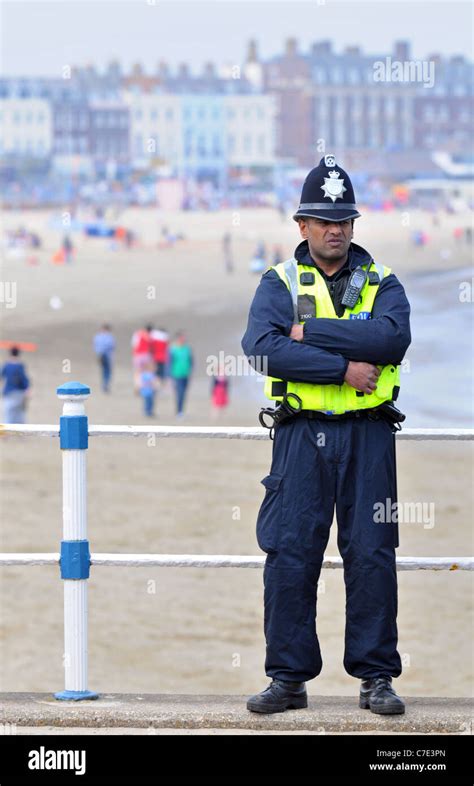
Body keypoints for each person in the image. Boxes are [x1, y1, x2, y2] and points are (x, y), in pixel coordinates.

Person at [242, 154, 411, 716]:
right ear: (302, 226)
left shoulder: (383, 282)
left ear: (353, 225)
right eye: (322, 220)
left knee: (372, 554)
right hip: (299, 437)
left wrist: (308, 331)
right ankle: (288, 680)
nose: (334, 228)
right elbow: (264, 349)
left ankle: (376, 678)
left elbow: (390, 342)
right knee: (290, 555)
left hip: (369, 439)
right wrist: (343, 367)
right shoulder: (279, 280)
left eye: (342, 220)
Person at [1, 346, 30, 423]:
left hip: (9, 392)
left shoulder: (6, 365)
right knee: (19, 415)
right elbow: (24, 379)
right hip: (19, 393)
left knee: (9, 415)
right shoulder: (20, 365)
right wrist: (27, 390)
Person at [169, 332, 193, 418]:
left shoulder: (187, 349)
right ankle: (179, 411)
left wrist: (190, 371)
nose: (183, 339)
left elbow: (191, 361)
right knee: (180, 393)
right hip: (176, 374)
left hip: (185, 374)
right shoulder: (173, 349)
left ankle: (181, 411)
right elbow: (170, 362)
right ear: (178, 339)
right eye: (182, 338)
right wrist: (170, 376)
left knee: (184, 393)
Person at [93, 324, 116, 393]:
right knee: (107, 371)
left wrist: (98, 354)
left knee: (104, 371)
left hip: (100, 355)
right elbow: (112, 346)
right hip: (107, 355)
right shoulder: (109, 337)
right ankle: (105, 384)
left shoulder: (97, 336)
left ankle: (104, 384)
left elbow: (95, 346)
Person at [131, 324, 154, 390]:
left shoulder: (138, 334)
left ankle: (137, 386)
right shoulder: (150, 336)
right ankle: (145, 386)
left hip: (138, 355)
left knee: (137, 372)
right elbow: (151, 348)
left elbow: (134, 344)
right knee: (145, 372)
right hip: (146, 355)